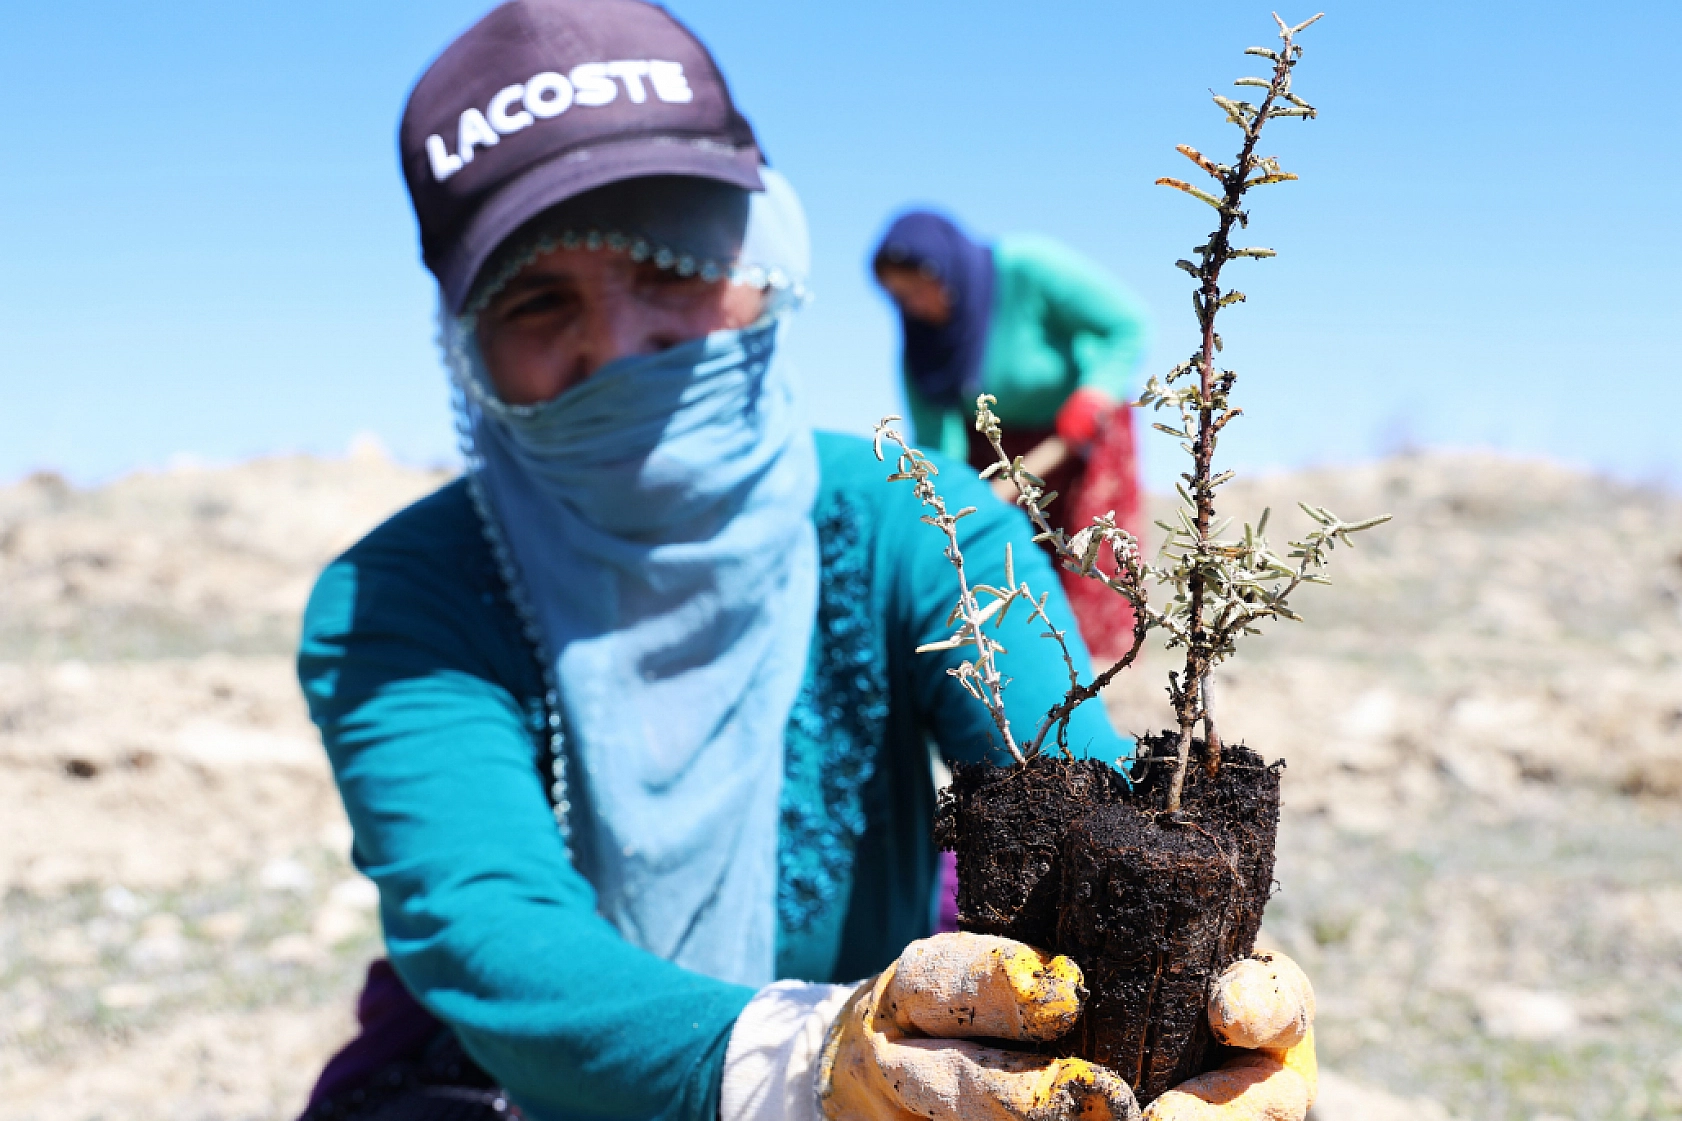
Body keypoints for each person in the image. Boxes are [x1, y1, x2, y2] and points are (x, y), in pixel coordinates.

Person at [295, 3, 1319, 1120]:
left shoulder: (916, 524)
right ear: (465, 343)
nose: (625, 343)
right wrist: (792, 1058)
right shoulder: (400, 598)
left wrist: (1183, 1015)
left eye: (672, 261)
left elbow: (1076, 802)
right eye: (538, 300)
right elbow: (488, 925)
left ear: (766, 257)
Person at [873, 212, 1150, 659]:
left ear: (945, 267)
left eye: (920, 285)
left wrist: (1095, 395)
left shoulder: (1027, 268)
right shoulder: (925, 351)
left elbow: (1126, 324)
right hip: (998, 453)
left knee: (1089, 560)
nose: (916, 304)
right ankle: (1028, 671)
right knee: (1006, 571)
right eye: (900, 297)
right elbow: (941, 445)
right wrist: (956, 502)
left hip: (1078, 433)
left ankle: (1103, 679)